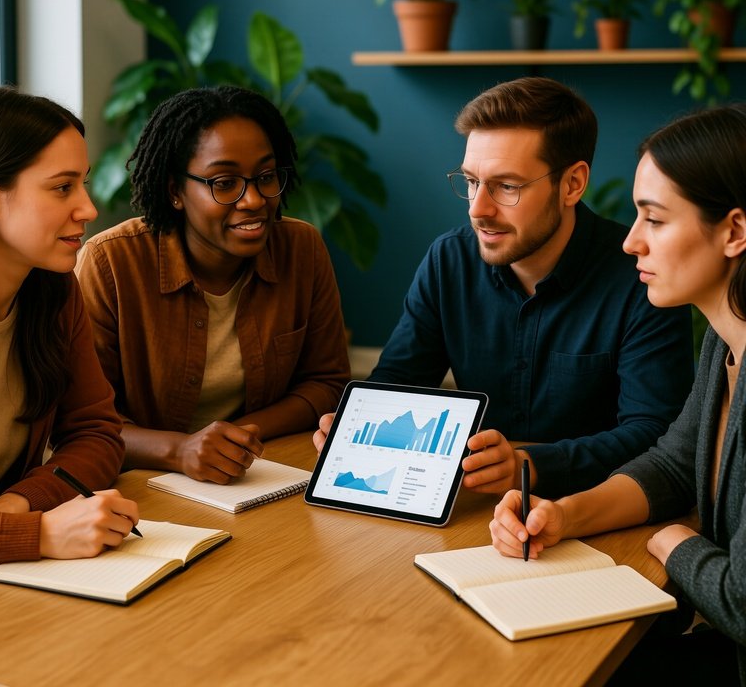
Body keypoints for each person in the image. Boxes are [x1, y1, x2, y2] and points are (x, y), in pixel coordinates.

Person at [314, 77, 694, 498]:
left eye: (506, 186)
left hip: (599, 507)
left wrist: (529, 466)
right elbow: (400, 383)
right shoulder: (449, 262)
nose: (478, 209)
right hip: (474, 504)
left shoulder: (641, 276)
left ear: (572, 184)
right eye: (472, 181)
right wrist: (355, 423)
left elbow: (655, 432)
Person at [489, 103, 746, 685]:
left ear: (733, 231)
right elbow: (674, 466)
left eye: (654, 220)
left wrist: (676, 542)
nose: (630, 242)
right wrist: (561, 515)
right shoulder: (722, 346)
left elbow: (742, 600)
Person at [76, 86, 350, 484]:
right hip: (143, 487)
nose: (254, 199)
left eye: (266, 177)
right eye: (224, 183)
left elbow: (326, 383)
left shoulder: (302, 249)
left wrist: (240, 436)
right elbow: (83, 422)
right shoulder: (110, 263)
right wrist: (180, 450)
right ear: (175, 192)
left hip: (263, 472)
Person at [0, 86, 138, 574]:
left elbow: (97, 434)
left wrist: (17, 503)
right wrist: (38, 532)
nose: (89, 209)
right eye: (62, 187)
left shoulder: (53, 294)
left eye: (85, 183)